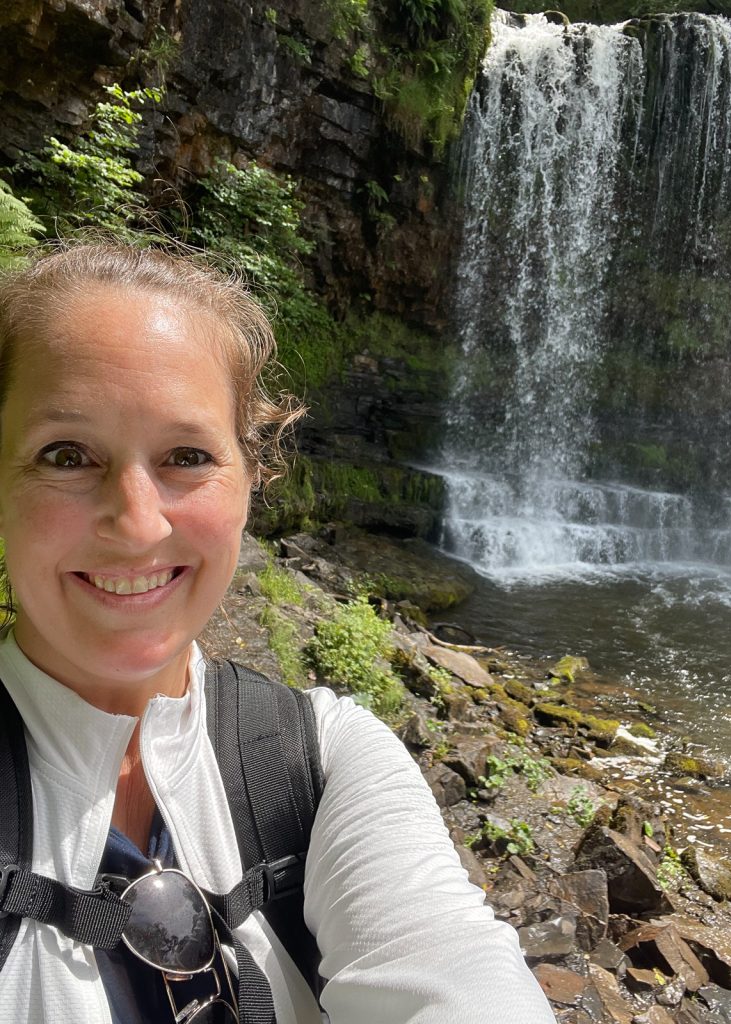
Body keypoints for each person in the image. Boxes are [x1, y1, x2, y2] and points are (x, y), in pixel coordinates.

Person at [0, 241, 555, 1024]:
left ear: (250, 478)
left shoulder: (323, 760)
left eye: (186, 455)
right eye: (66, 455)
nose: (136, 522)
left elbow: (455, 971)